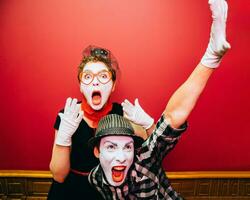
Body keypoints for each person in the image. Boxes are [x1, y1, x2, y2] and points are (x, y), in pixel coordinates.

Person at [88, 0, 231, 199]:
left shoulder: (143, 160)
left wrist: (211, 57)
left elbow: (172, 118)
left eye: (128, 147)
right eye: (111, 147)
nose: (121, 156)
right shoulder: (95, 179)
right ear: (97, 152)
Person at [47, 45, 154, 199]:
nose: (95, 83)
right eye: (88, 76)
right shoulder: (68, 116)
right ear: (81, 86)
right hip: (71, 191)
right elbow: (58, 176)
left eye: (103, 76)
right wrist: (63, 138)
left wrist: (148, 125)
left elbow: (154, 150)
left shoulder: (124, 114)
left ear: (113, 86)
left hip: (108, 191)